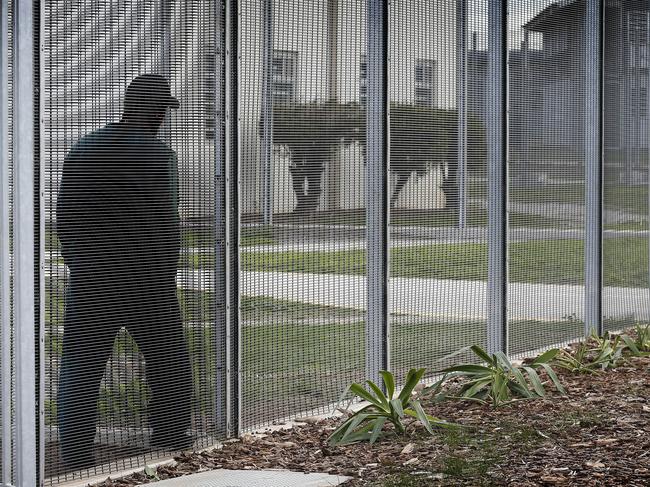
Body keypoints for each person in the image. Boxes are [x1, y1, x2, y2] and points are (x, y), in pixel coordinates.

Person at [56, 74, 193, 470]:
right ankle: (169, 433)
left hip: (93, 278)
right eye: (164, 110)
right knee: (168, 358)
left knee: (81, 365)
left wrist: (80, 264)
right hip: (146, 279)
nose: (164, 118)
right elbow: (168, 221)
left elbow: (65, 216)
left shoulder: (82, 148)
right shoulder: (157, 154)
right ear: (155, 110)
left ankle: (75, 452)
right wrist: (166, 270)